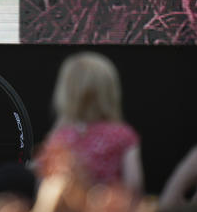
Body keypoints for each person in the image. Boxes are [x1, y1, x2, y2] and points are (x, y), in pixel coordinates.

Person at [35, 51, 144, 192]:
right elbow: (134, 186)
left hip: (69, 211)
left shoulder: (58, 138)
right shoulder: (123, 135)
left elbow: (41, 187)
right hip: (107, 211)